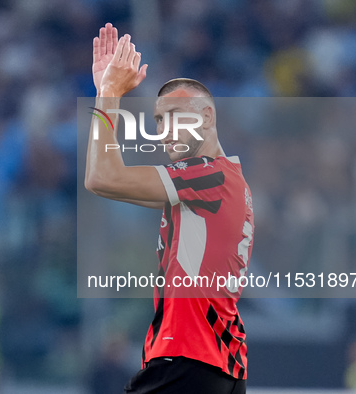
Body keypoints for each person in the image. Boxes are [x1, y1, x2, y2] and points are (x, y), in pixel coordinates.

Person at [86, 23, 254, 393]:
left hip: (187, 359)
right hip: (219, 364)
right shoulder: (226, 181)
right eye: (160, 120)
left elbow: (100, 178)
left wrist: (109, 94)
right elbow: (115, 188)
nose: (165, 130)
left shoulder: (207, 175)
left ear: (207, 118)